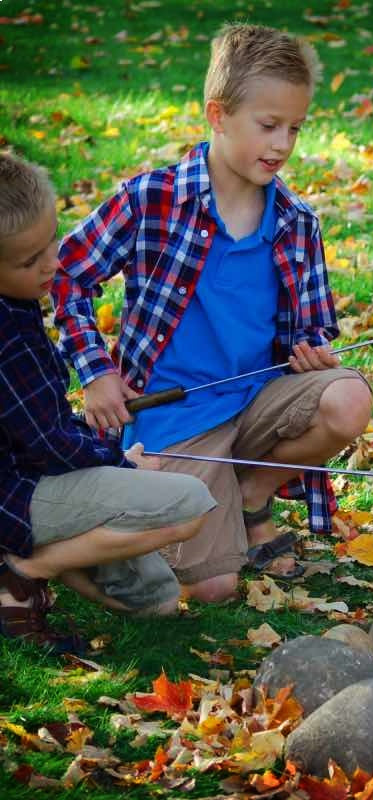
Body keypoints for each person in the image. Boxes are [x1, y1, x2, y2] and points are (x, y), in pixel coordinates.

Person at [54, 24, 373, 604]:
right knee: (216, 589)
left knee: (348, 398)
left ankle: (251, 493)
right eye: (268, 125)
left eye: (295, 129)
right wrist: (96, 372)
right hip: (179, 419)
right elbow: (66, 274)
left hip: (258, 402)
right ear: (219, 115)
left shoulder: (297, 222)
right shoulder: (153, 199)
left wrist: (313, 352)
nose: (282, 145)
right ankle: (199, 497)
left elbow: (315, 323)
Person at [0, 152, 217, 651]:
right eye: (30, 260)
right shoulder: (8, 334)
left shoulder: (18, 304)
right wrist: (125, 465)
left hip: (34, 478)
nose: (52, 263)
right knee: (190, 506)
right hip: (19, 494)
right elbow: (49, 447)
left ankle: (32, 569)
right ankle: (24, 570)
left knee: (156, 599)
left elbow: (39, 426)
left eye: (53, 240)